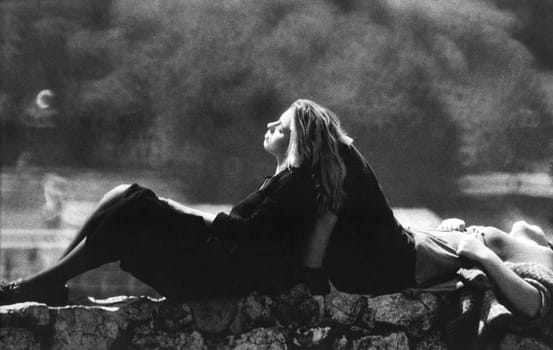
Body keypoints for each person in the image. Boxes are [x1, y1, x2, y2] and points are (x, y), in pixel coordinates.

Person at [0, 99, 347, 305]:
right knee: (123, 194)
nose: (271, 124)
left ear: (298, 141)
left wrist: (179, 209)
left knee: (137, 206)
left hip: (215, 276)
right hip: (217, 265)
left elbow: (248, 234)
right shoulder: (286, 183)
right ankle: (49, 282)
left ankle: (40, 285)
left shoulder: (295, 187)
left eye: (282, 127)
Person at [296, 100, 553, 324]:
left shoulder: (548, 270)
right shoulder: (533, 241)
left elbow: (536, 304)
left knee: (342, 158)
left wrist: (483, 255)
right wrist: (458, 230)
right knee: (340, 187)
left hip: (423, 255)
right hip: (430, 244)